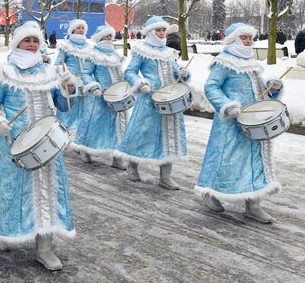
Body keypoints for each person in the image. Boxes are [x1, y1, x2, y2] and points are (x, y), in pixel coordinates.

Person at [0, 23, 78, 271]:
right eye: (26, 40)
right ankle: (4, 233)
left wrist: (68, 87)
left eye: (35, 41)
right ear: (16, 43)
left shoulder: (50, 72)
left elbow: (63, 105)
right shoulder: (3, 72)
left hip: (47, 144)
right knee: (9, 191)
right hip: (14, 144)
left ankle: (45, 248)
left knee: (47, 193)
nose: (31, 45)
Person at [195, 23, 283, 224]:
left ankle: (253, 206)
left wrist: (273, 89)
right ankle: (211, 192)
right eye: (244, 37)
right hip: (230, 122)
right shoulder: (223, 62)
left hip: (253, 121)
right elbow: (211, 87)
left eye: (250, 38)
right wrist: (227, 106)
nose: (248, 41)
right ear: (234, 39)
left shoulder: (252, 63)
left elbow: (261, 91)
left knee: (255, 160)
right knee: (226, 159)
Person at [119, 16, 189, 189]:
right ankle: (133, 164)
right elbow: (130, 71)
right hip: (149, 100)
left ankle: (165, 176)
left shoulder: (169, 52)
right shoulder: (141, 50)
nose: (161, 33)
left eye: (163, 30)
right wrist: (140, 83)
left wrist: (183, 73)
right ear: (150, 32)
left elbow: (175, 73)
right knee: (142, 134)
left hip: (169, 99)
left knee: (169, 136)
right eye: (158, 30)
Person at [72, 25, 127, 168]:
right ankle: (85, 148)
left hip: (116, 96)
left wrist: (125, 85)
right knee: (93, 123)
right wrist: (93, 86)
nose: (109, 38)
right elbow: (85, 73)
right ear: (100, 38)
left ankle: (117, 157)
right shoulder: (93, 54)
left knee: (117, 126)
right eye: (106, 36)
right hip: (98, 96)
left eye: (110, 36)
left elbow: (120, 73)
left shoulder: (116, 55)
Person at [54, 19, 92, 135]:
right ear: (72, 30)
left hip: (86, 82)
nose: (80, 30)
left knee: (86, 110)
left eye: (82, 28)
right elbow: (57, 64)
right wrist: (65, 76)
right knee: (70, 111)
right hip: (71, 83)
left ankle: (83, 135)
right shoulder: (66, 46)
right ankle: (66, 134)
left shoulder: (89, 47)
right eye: (78, 28)